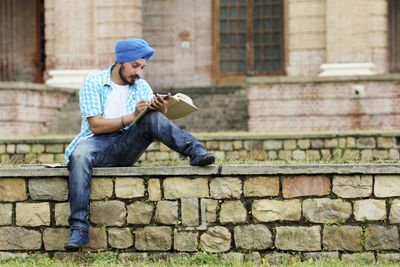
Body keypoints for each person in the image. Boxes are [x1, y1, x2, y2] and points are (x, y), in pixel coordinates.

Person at [63, 38, 215, 252]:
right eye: (135, 66)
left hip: (127, 146)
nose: (139, 73)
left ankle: (195, 150)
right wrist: (132, 116)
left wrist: (161, 111)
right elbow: (96, 125)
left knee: (152, 118)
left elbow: (149, 122)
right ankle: (79, 228)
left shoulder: (142, 86)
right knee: (78, 157)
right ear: (120, 61)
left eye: (142, 67)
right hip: (96, 144)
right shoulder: (93, 81)